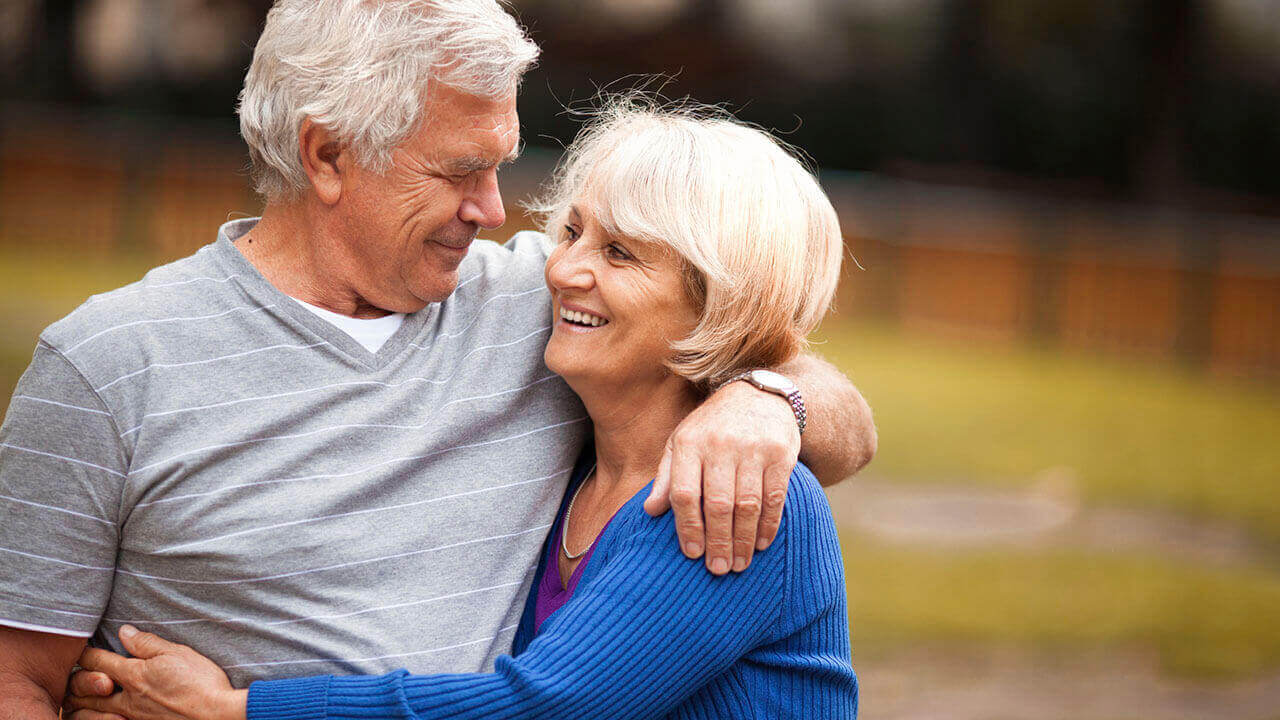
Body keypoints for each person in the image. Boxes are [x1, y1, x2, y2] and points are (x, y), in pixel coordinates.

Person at [0, 1, 876, 717]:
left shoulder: (549, 316)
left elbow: (808, 387)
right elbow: (19, 680)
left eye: (500, 168)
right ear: (328, 155)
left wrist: (766, 401)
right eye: (460, 172)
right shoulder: (106, 365)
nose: (498, 213)